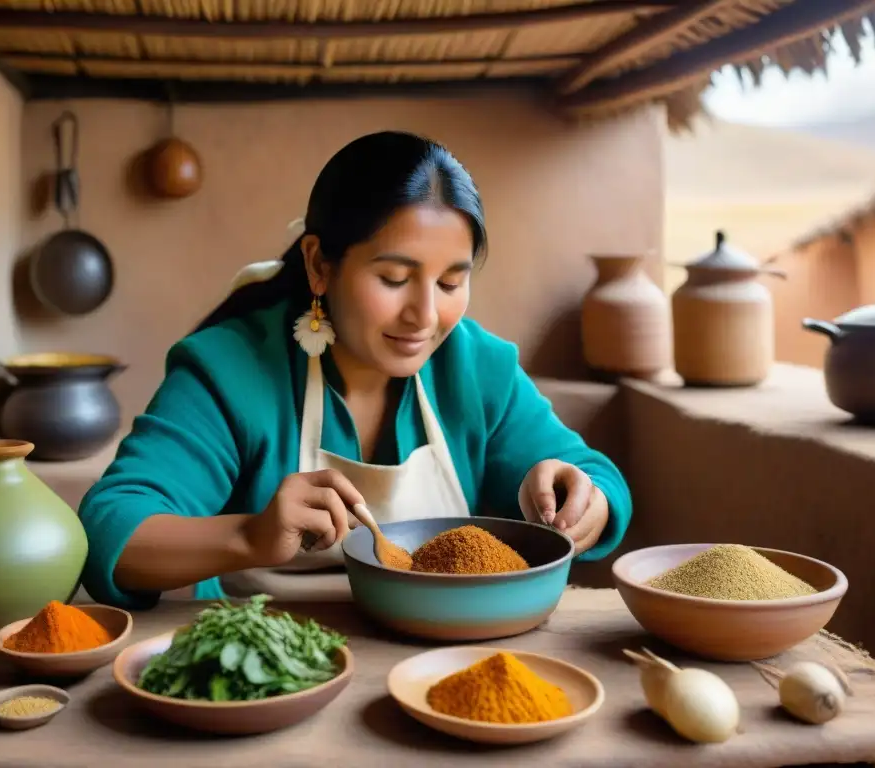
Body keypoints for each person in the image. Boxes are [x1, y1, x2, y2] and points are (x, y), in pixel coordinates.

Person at [77, 130, 633, 610]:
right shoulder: (230, 370)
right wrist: (250, 536)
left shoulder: (478, 367)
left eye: (449, 283)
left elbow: (595, 476)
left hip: (430, 659)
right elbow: (111, 528)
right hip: (266, 669)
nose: (425, 315)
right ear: (320, 265)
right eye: (393, 278)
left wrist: (582, 497)